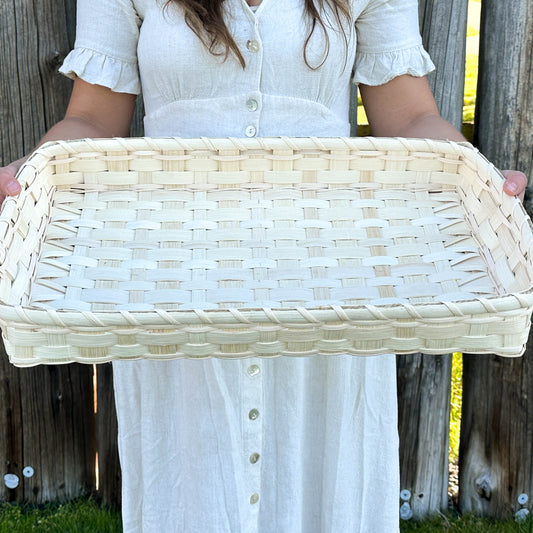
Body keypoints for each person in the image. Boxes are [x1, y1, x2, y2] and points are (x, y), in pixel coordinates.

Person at [0, 0, 527, 531]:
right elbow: (92, 119)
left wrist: (476, 175)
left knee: (328, 480)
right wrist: (38, 169)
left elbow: (411, 117)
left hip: (328, 284)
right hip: (180, 281)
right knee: (193, 487)